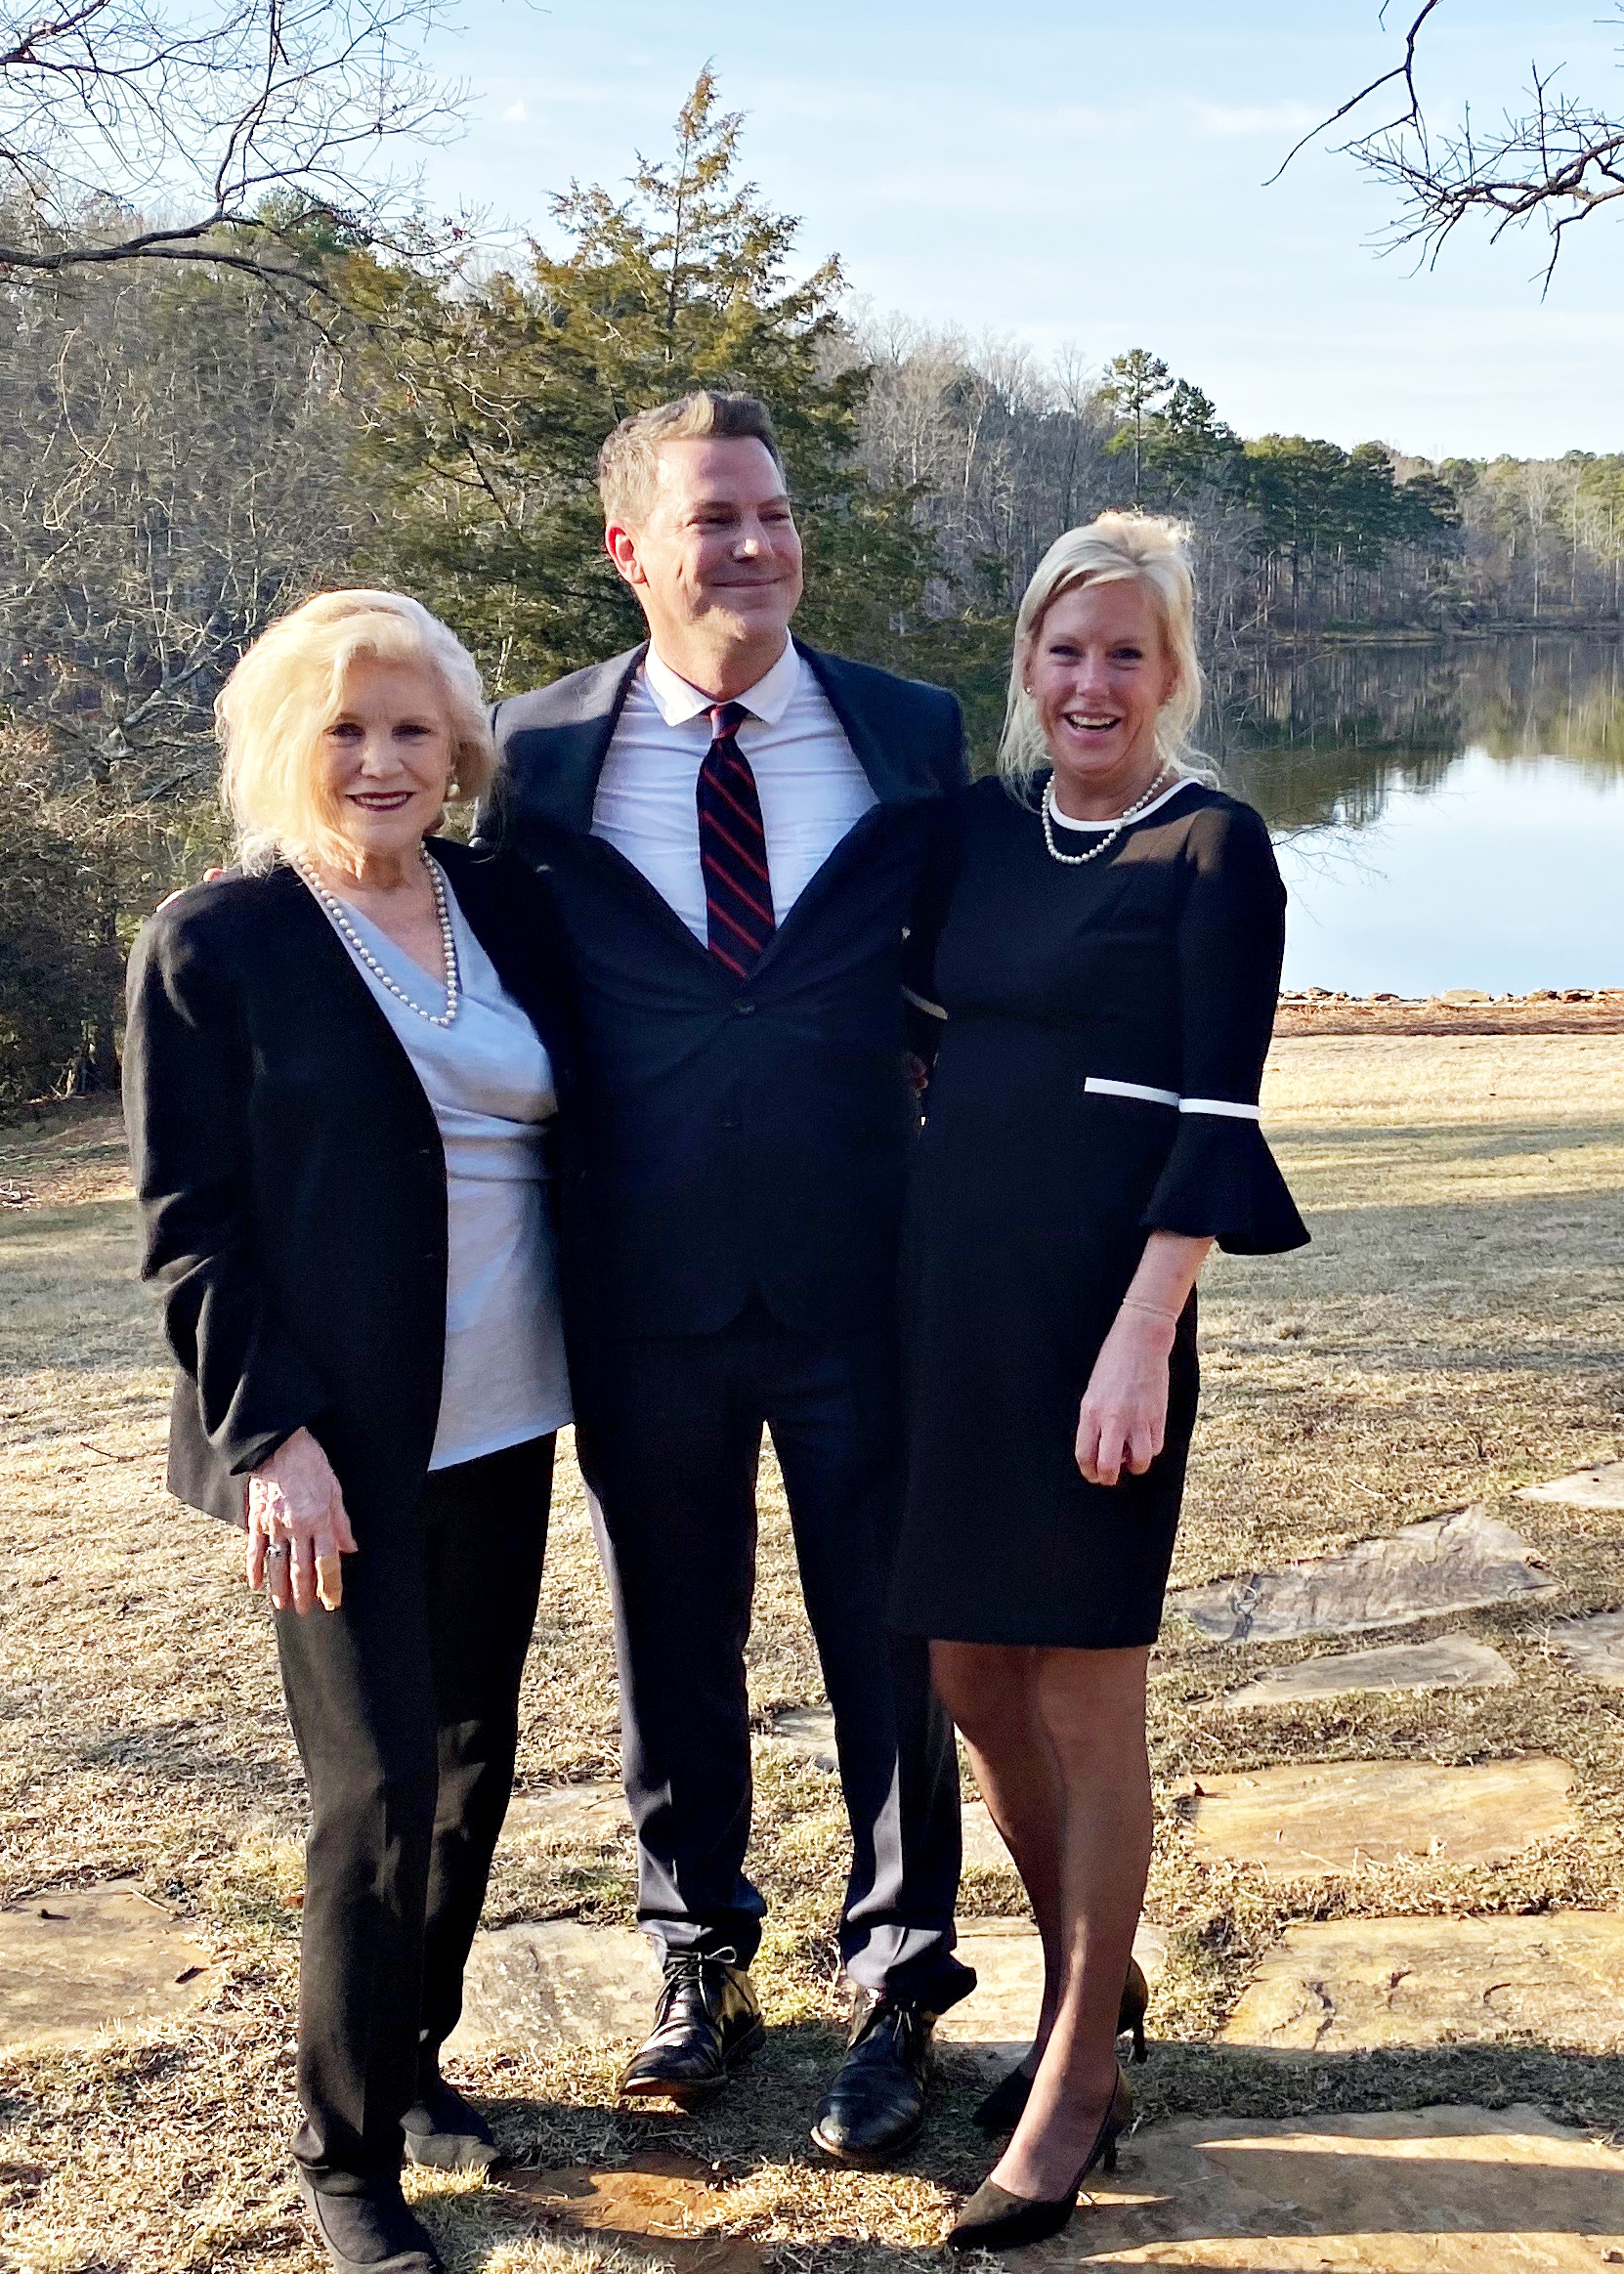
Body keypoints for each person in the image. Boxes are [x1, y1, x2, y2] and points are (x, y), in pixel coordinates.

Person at [478, 389, 974, 2165]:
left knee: (889, 1641)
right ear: (631, 547)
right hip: (638, 1279)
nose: (752, 544)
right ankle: (700, 1955)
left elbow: (957, 962)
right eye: (712, 519)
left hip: (864, 1272)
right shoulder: (529, 756)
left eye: (770, 512)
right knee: (668, 1636)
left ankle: (902, 1974)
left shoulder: (909, 731)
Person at [124, 591, 577, 2274]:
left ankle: (412, 2055)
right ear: (281, 747)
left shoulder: (503, 907)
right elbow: (188, 1227)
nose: (381, 760)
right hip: (328, 1447)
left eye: (409, 728)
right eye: (344, 730)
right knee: (374, 1792)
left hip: (507, 1409)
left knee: (471, 1764)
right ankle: (339, 2152)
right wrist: (272, 1442)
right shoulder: (217, 940)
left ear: (456, 746)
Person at [891, 514, 1309, 2250]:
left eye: (1125, 654)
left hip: (1099, 1315)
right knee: (967, 1661)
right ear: (1027, 660)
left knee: (1081, 1675)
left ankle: (1072, 2079)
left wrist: (1142, 1334)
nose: (1090, 683)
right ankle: (1099, 1960)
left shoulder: (1216, 847)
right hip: (944, 1300)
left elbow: (1219, 1114)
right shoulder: (970, 832)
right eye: (1065, 651)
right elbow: (906, 1023)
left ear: (1171, 669)